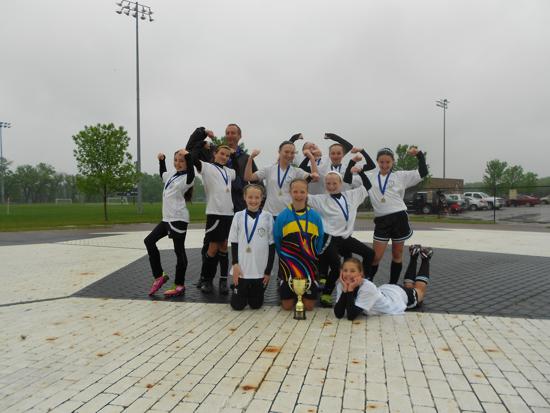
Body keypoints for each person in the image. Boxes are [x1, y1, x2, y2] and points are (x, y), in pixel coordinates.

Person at [355, 146, 428, 284]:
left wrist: (419, 154)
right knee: (376, 257)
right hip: (382, 221)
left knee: (397, 254)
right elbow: (347, 180)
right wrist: (352, 167)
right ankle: (367, 285)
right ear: (377, 162)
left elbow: (423, 172)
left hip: (399, 218)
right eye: (381, 162)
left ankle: (392, 285)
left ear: (393, 162)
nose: (384, 165)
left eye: (388, 162)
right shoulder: (370, 177)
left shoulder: (400, 176)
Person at [308, 162, 374, 307]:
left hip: (345, 238)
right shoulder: (321, 199)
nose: (331, 186)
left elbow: (368, 186)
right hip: (329, 238)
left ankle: (363, 281)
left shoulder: (351, 195)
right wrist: (309, 178)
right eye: (328, 183)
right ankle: (326, 294)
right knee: (337, 266)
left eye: (334, 183)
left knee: (369, 253)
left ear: (341, 183)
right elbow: (301, 195)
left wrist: (361, 172)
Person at [190, 135, 236, 295]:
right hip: (214, 213)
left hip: (228, 214)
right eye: (222, 153)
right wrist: (202, 142)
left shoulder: (229, 172)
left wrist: (233, 156)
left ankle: (223, 280)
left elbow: (237, 168)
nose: (224, 157)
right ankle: (207, 280)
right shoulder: (207, 167)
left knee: (224, 247)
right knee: (212, 248)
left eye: (227, 155)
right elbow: (192, 157)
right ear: (215, 154)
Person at [334, 246, 432, 320]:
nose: (348, 274)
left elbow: (351, 316)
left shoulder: (367, 288)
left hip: (396, 298)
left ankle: (425, 258)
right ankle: (414, 256)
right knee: (409, 287)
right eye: (345, 270)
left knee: (419, 291)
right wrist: (345, 290)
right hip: (385, 291)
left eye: (352, 271)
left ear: (361, 274)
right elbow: (338, 314)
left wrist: (350, 289)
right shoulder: (342, 285)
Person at [145, 149, 195, 297]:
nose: (178, 163)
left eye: (182, 161)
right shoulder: (172, 174)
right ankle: (159, 275)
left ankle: (179, 285)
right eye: (176, 160)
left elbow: (191, 173)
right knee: (149, 241)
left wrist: (188, 156)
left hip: (178, 219)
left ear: (187, 163)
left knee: (179, 252)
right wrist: (162, 161)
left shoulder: (187, 178)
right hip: (167, 218)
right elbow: (163, 175)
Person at [274, 178, 325, 312]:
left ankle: (303, 292)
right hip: (289, 265)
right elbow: (277, 240)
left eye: (302, 192)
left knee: (308, 307)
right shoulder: (283, 216)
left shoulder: (315, 216)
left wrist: (312, 254)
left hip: (309, 265)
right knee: (287, 307)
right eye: (295, 191)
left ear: (307, 193)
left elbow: (320, 239)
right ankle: (285, 283)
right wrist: (286, 256)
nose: (298, 195)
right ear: (290, 193)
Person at [244, 138, 319, 219]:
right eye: (286, 152)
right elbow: (248, 177)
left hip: (288, 213)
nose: (289, 155)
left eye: (292, 153)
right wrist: (250, 158)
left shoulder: (296, 171)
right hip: (269, 213)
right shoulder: (269, 169)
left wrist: (311, 158)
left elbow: (315, 178)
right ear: (279, 152)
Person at [229, 184, 275, 310]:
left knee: (256, 305)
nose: (253, 200)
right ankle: (239, 289)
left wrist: (268, 271)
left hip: (260, 270)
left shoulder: (268, 217)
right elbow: (234, 242)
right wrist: (235, 264)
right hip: (242, 269)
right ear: (244, 197)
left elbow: (272, 245)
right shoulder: (238, 216)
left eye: (257, 197)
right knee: (237, 306)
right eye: (250, 197)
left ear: (262, 198)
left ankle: (250, 291)